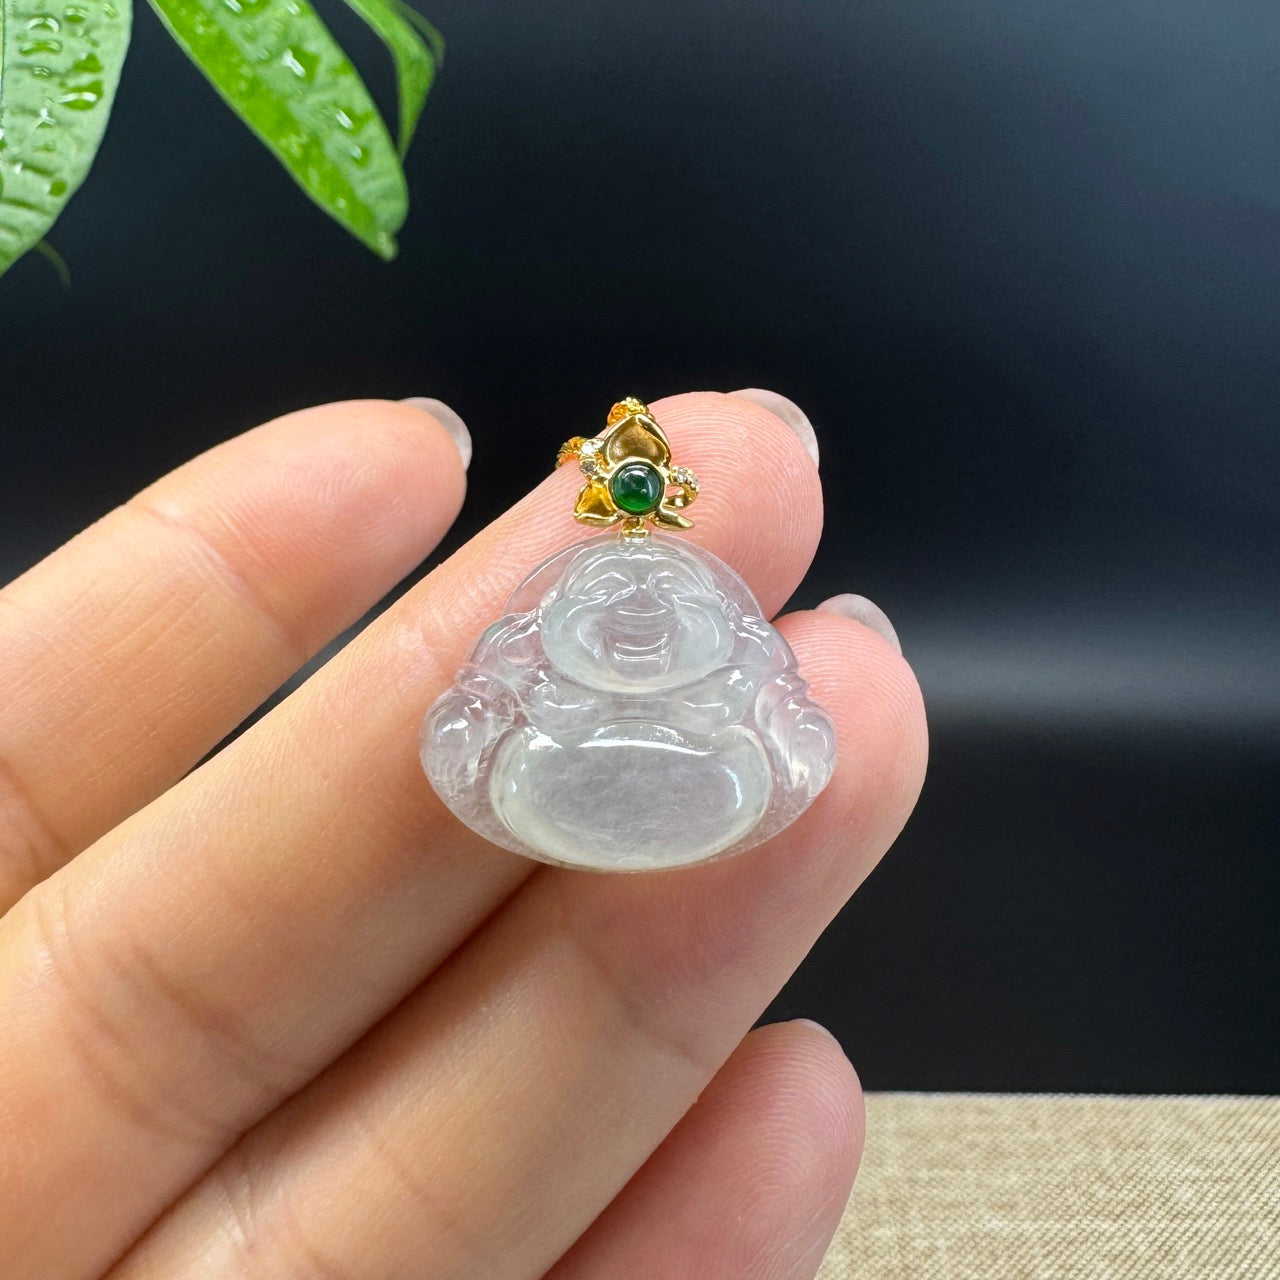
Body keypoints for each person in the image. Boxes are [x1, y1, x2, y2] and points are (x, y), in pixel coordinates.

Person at [0, 390, 926, 1279]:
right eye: (606, 596)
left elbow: (786, 717)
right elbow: (473, 718)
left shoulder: (729, 675)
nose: (640, 614)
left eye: (670, 608)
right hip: (561, 762)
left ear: (718, 626)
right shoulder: (535, 667)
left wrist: (748, 720)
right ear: (556, 622)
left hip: (703, 766)